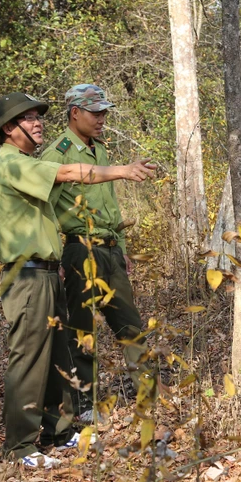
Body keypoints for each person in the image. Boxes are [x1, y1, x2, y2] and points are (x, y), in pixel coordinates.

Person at [0, 91, 156, 468]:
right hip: (26, 277)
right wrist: (123, 171)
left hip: (47, 272)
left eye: (38, 117)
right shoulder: (11, 163)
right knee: (29, 361)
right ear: (9, 129)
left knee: (56, 356)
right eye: (28, 119)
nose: (38, 123)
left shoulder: (24, 161)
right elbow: (66, 172)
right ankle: (20, 448)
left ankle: (59, 432)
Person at [40, 84, 156, 422]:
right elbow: (42, 209)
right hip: (80, 251)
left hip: (110, 251)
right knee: (83, 332)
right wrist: (56, 256)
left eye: (105, 112)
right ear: (75, 113)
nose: (102, 118)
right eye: (96, 112)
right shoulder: (56, 154)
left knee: (130, 324)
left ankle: (148, 395)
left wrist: (122, 249)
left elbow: (109, 207)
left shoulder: (98, 150)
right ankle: (84, 404)